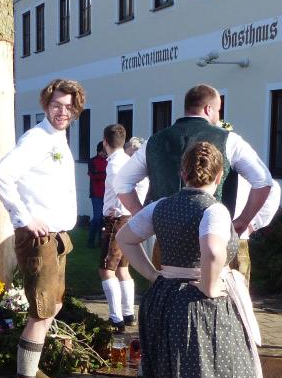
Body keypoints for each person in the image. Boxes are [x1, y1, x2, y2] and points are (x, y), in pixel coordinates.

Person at [116, 142, 269, 378]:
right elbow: (212, 250)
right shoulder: (215, 211)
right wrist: (210, 288)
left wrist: (152, 274)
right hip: (200, 307)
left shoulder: (159, 206)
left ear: (182, 172)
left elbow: (125, 239)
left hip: (162, 299)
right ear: (220, 174)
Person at [0, 78, 86, 378]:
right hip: (38, 239)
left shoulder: (58, 137)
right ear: (47, 105)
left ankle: (33, 365)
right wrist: (25, 218)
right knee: (42, 310)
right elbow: (0, 175)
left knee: (53, 305)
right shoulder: (36, 138)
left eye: (69, 106)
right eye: (57, 105)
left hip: (58, 236)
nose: (63, 111)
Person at [115, 84, 273, 272]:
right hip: (214, 239)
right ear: (208, 109)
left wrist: (143, 216)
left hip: (168, 241)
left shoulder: (154, 141)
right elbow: (263, 181)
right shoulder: (230, 140)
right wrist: (243, 221)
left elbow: (121, 182)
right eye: (218, 111)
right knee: (212, 294)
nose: (218, 117)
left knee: (167, 293)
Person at [99, 124, 136, 333]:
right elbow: (141, 184)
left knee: (106, 269)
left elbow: (120, 189)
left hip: (116, 219)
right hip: (128, 217)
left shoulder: (113, 165)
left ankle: (116, 318)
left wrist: (119, 208)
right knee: (123, 268)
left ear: (105, 142)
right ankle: (129, 313)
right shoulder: (128, 161)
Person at [87, 142, 108, 248]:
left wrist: (102, 174)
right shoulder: (92, 161)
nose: (105, 154)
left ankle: (101, 241)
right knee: (97, 217)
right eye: (104, 152)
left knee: (103, 218)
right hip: (96, 194)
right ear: (99, 151)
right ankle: (90, 240)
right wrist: (105, 174)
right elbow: (93, 175)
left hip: (107, 194)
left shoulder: (109, 161)